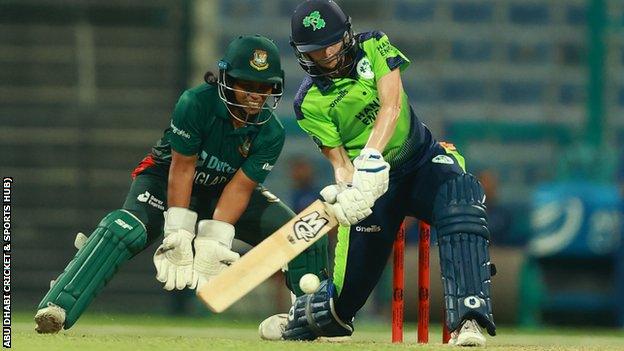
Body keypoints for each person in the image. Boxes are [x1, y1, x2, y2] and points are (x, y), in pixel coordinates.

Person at [33, 34, 329, 334]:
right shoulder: (196, 103)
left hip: (222, 191)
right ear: (226, 78)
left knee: (304, 234)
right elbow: (183, 167)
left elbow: (239, 188)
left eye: (264, 87)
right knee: (125, 229)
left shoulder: (270, 132)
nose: (256, 95)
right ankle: (58, 305)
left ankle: (309, 322)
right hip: (165, 179)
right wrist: (179, 230)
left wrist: (214, 240)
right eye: (247, 85)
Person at [276, 0, 497, 346]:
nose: (328, 54)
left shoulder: (374, 45)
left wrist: (370, 157)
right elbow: (337, 160)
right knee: (338, 310)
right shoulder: (308, 103)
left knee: (462, 199)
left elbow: (391, 105)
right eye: (317, 51)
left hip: (421, 161)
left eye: (332, 43)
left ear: (346, 34)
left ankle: (468, 319)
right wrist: (348, 188)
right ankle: (302, 315)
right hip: (374, 188)